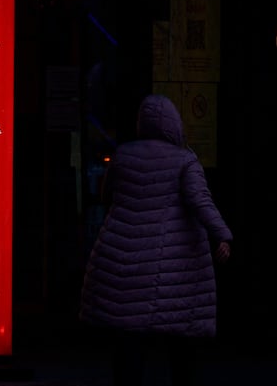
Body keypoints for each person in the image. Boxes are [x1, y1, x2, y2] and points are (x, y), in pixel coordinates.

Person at [79, 93, 233, 386]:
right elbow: (200, 201)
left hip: (126, 263)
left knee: (129, 340)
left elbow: (105, 195)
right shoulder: (185, 160)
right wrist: (222, 235)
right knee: (181, 340)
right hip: (175, 268)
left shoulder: (123, 155)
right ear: (174, 124)